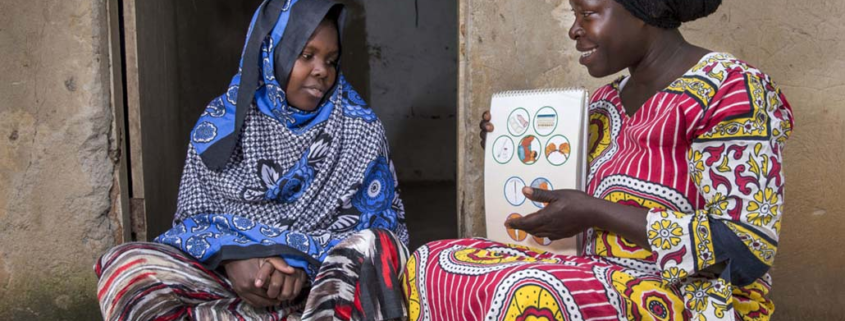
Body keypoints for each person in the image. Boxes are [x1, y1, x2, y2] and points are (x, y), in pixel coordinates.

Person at [403, 0, 793, 320]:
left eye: (587, 13)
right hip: (594, 273)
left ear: (645, 12)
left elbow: (745, 252)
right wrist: (509, 148)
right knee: (433, 261)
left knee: (531, 295)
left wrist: (595, 212)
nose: (574, 29)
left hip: (691, 293)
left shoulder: (730, 90)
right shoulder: (604, 104)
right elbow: (565, 194)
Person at [95, 0, 409, 320]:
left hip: (319, 297)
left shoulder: (360, 128)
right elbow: (193, 218)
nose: (322, 71)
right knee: (125, 267)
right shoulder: (221, 126)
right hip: (230, 289)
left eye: (331, 60)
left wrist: (299, 263)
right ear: (272, 52)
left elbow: (382, 232)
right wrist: (233, 257)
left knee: (374, 248)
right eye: (306, 55)